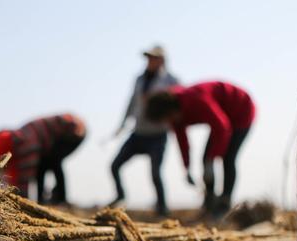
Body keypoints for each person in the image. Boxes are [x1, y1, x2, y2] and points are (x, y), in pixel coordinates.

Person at [145, 81, 255, 217]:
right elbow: (182, 141)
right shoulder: (175, 118)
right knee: (206, 158)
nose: (167, 122)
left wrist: (213, 158)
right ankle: (210, 203)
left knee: (227, 158)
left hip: (241, 108)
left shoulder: (196, 100)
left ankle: (224, 205)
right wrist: (187, 167)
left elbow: (222, 127)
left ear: (170, 110)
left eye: (166, 118)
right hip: (221, 118)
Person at [109, 45, 179, 216]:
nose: (149, 61)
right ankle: (120, 195)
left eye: (153, 58)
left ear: (162, 60)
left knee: (156, 173)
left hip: (158, 135)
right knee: (115, 165)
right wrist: (123, 124)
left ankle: (162, 208)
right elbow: (132, 102)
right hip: (138, 133)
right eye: (148, 58)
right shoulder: (139, 79)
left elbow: (177, 106)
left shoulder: (171, 81)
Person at [0, 114, 86, 204]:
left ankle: (60, 199)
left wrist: (22, 200)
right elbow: (17, 176)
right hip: (55, 132)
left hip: (73, 128)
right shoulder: (11, 141)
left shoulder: (25, 147)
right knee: (44, 164)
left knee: (52, 162)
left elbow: (24, 176)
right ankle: (44, 200)